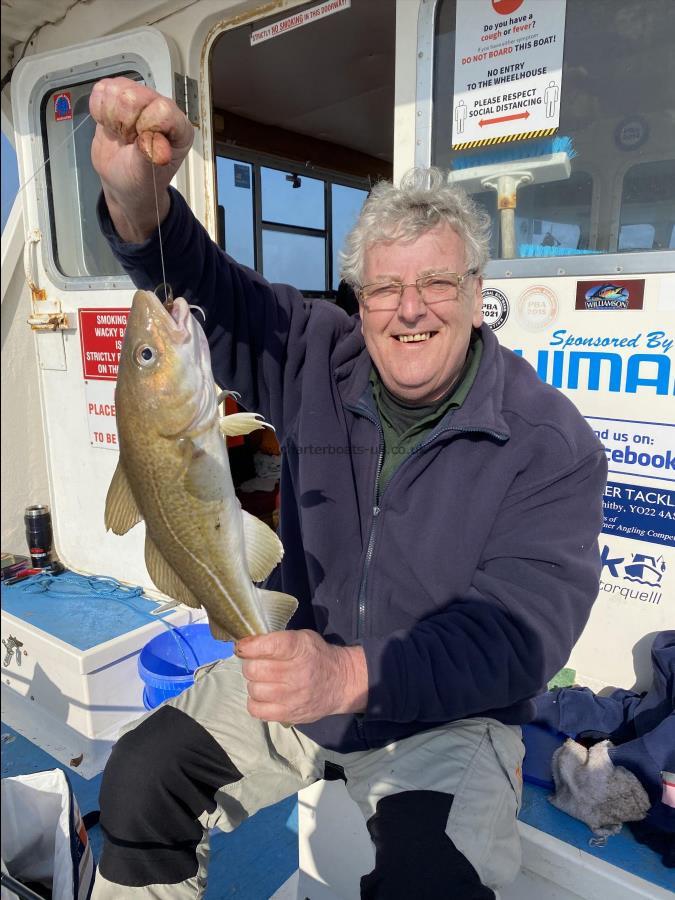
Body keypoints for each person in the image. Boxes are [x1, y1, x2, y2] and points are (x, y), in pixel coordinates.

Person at [88, 77, 607, 899]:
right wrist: (135, 202)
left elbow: (521, 634)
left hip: (440, 717)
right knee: (138, 779)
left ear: (477, 295)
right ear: (356, 302)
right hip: (292, 674)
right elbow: (214, 290)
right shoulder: (316, 356)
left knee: (426, 877)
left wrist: (350, 676)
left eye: (436, 284)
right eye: (382, 289)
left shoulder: (549, 442)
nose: (410, 310)